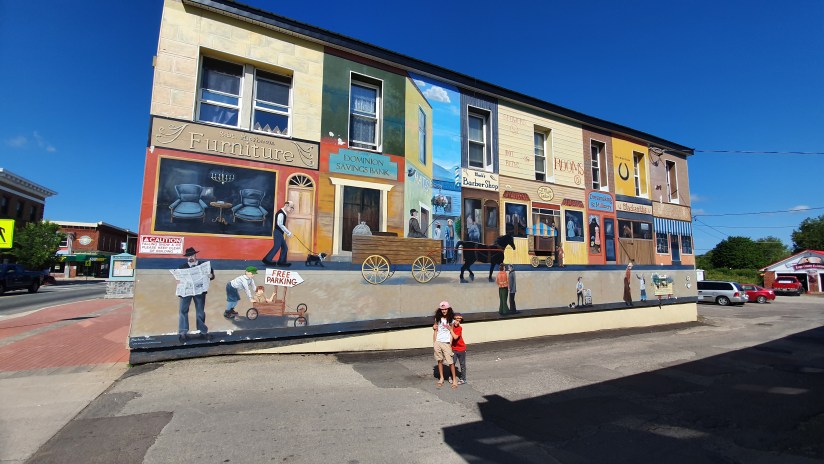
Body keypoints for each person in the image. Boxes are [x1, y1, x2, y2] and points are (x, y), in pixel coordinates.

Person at [177, 247, 215, 343]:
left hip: (199, 291)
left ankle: (203, 332)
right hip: (186, 292)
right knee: (183, 311)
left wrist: (210, 275)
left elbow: (212, 276)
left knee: (200, 312)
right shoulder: (182, 267)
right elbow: (179, 280)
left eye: (192, 255)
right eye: (188, 256)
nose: (190, 257)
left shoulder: (204, 265)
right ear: (186, 257)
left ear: (195, 255)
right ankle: (183, 333)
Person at [432, 301, 459, 389]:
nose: (444, 311)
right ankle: (441, 378)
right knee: (439, 360)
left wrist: (450, 343)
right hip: (438, 342)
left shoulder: (451, 320)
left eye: (445, 309)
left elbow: (453, 329)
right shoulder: (437, 319)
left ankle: (454, 380)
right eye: (442, 309)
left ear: (448, 309)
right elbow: (435, 330)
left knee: (450, 362)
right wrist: (434, 342)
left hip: (446, 343)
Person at [263, 200, 294, 267]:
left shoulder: (284, 213)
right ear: (286, 205)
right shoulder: (281, 213)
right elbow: (280, 224)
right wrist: (288, 233)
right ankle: (267, 259)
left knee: (284, 248)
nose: (292, 209)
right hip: (277, 232)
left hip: (279, 233)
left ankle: (281, 262)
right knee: (277, 246)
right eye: (291, 207)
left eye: (292, 207)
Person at [451, 313, 467, 385]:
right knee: (452, 363)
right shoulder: (451, 327)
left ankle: (463, 379)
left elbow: (455, 337)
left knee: (462, 364)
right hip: (453, 348)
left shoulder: (459, 328)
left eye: (459, 319)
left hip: (461, 348)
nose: (458, 321)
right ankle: (452, 377)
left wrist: (450, 329)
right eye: (456, 319)